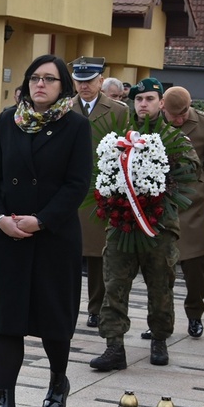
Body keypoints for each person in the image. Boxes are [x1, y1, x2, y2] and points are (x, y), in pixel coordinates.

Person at [0, 54, 92, 407]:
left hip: (53, 237)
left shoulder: (75, 126)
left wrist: (41, 220)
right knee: (8, 323)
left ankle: (58, 380)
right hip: (9, 236)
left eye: (50, 79)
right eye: (34, 78)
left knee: (53, 322)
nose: (40, 84)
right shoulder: (7, 120)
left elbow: (78, 184)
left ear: (63, 86)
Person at [89, 78, 199, 370]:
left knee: (160, 285)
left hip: (158, 226)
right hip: (122, 223)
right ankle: (114, 346)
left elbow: (192, 172)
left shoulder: (175, 138)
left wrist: (165, 172)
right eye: (139, 100)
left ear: (162, 103)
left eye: (150, 99)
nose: (143, 104)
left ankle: (160, 339)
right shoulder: (119, 137)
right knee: (114, 284)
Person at [135, 86, 204, 340]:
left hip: (192, 207)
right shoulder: (152, 125)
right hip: (160, 205)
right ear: (163, 105)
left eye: (183, 113)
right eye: (174, 114)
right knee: (159, 271)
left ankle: (195, 315)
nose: (179, 119)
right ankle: (159, 321)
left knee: (195, 270)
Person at [69, 57, 129, 330]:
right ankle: (67, 306)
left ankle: (95, 308)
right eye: (79, 81)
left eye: (90, 81)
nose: (84, 86)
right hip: (69, 187)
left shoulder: (117, 111)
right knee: (67, 252)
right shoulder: (65, 108)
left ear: (101, 81)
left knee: (96, 254)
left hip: (100, 189)